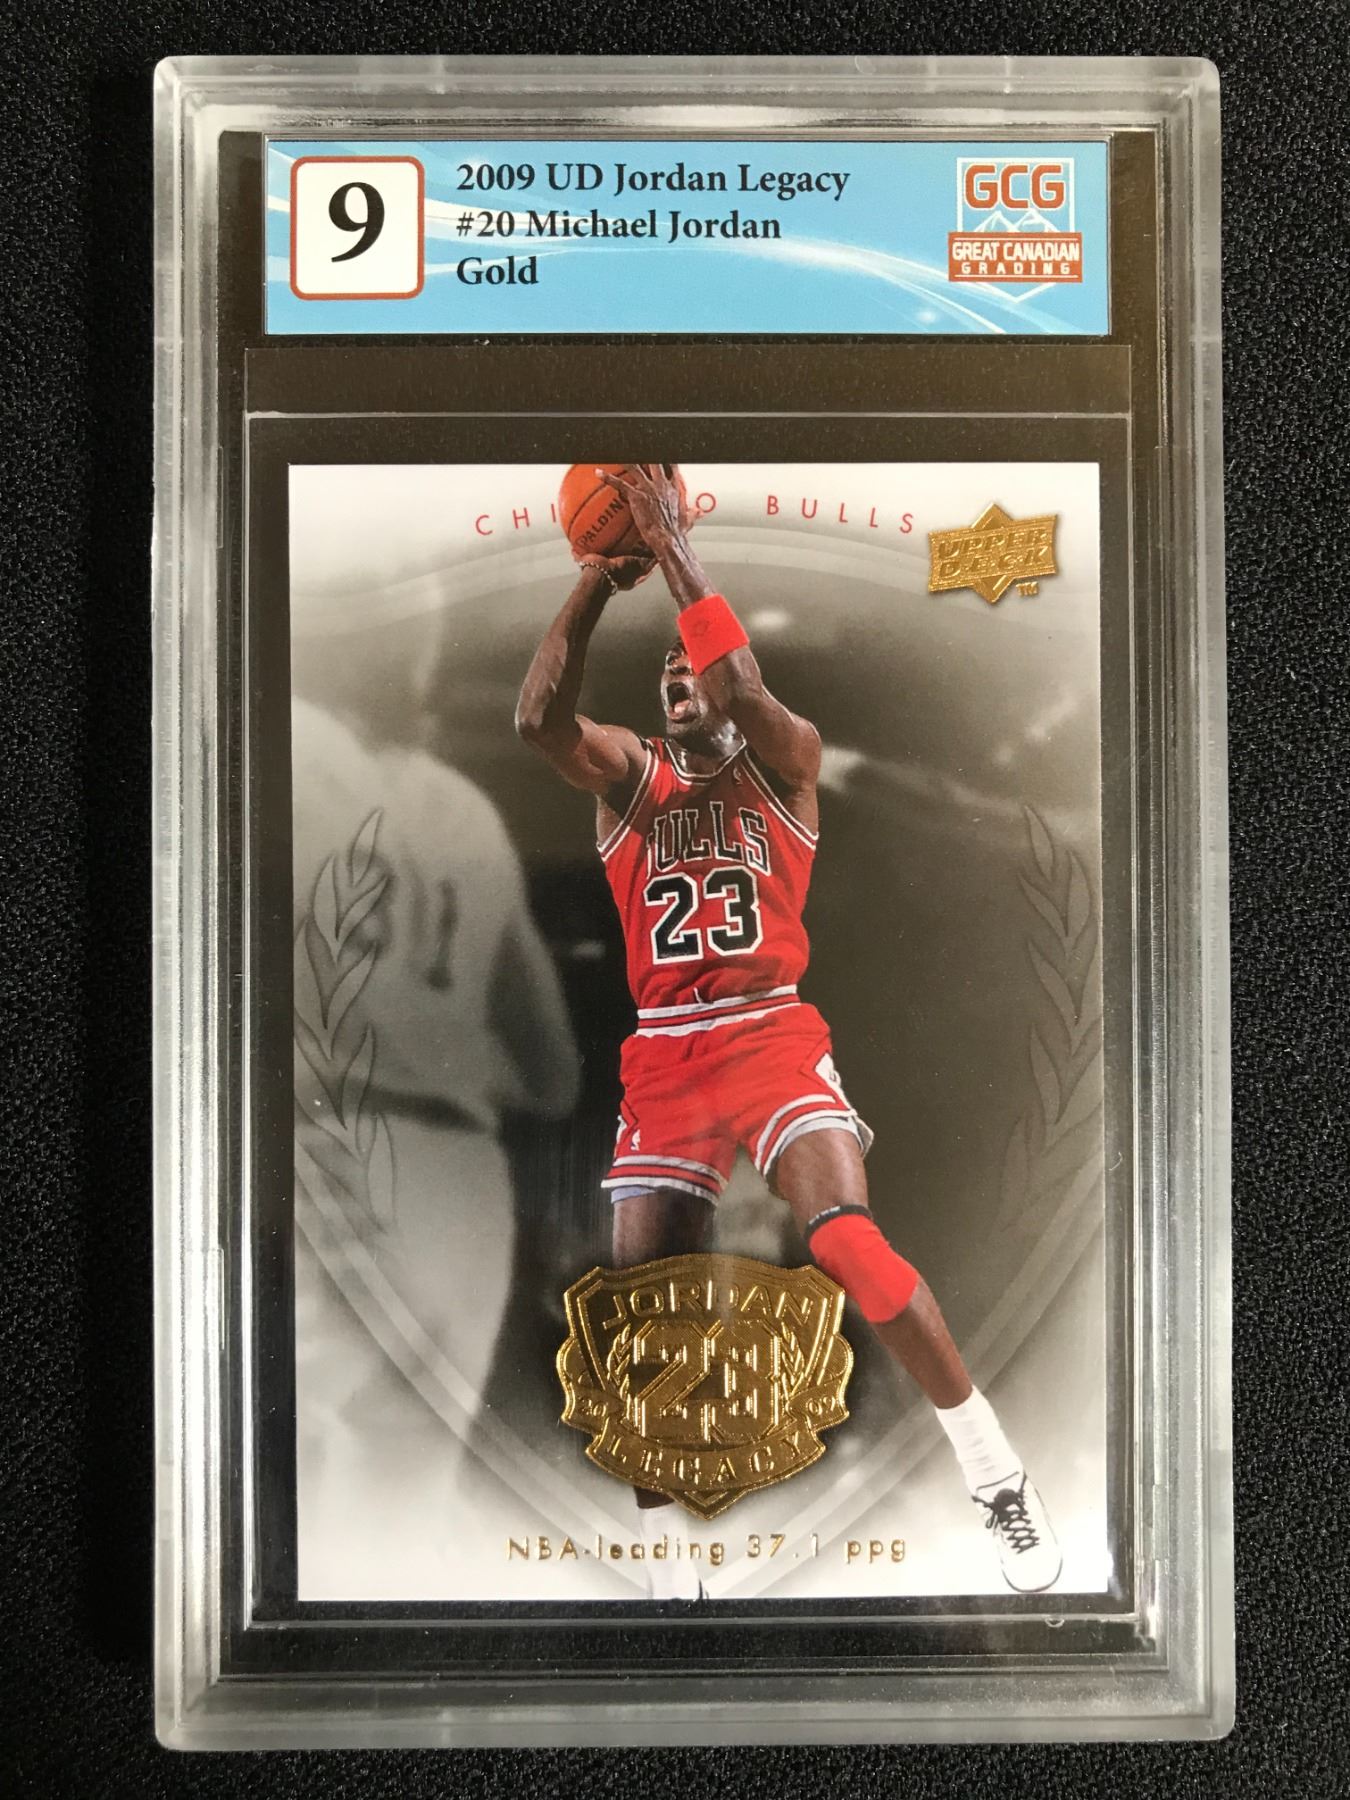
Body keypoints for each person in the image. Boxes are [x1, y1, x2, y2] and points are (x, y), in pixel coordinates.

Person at [517, 463, 1061, 1600]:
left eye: (692, 669)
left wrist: (670, 545)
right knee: (641, 1319)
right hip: (666, 1051)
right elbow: (538, 720)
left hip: (769, 1033)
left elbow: (739, 682)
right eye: (665, 676)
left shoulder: (788, 762)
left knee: (848, 1242)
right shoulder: (630, 782)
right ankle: (674, 1574)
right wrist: (596, 577)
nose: (679, 682)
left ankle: (993, 1471)